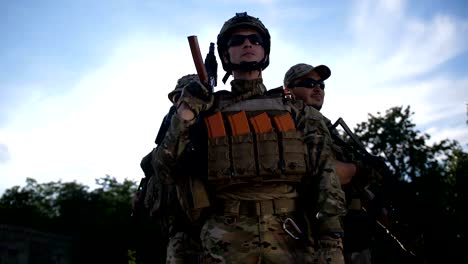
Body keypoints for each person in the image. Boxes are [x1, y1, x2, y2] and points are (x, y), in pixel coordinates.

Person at [151, 12, 346, 263]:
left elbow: (325, 173)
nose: (247, 44)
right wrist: (187, 110)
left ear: (265, 52)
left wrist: (331, 238)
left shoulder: (294, 110)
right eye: (237, 41)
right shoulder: (207, 109)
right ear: (224, 55)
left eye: (255, 40)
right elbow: (165, 169)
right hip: (223, 238)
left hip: (292, 234)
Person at [283, 63, 389, 264]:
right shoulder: (290, 120)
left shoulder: (325, 125)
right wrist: (361, 170)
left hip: (350, 231)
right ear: (288, 90)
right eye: (308, 83)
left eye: (321, 85)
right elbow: (325, 171)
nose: (317, 88)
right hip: (318, 233)